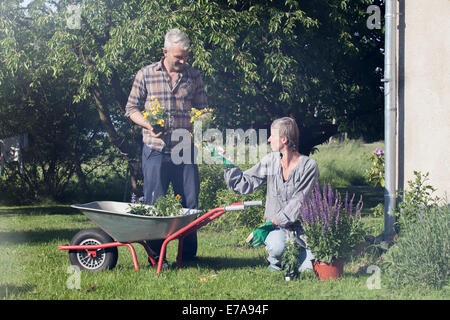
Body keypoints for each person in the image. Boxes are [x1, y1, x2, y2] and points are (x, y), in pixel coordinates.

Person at [125, 28, 208, 264]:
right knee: (155, 203)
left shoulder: (194, 76)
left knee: (190, 204)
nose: (183, 61)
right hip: (155, 149)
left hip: (185, 149)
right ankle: (155, 257)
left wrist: (203, 124)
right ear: (165, 52)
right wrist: (149, 124)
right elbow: (131, 109)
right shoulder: (146, 74)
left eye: (185, 56)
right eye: (178, 57)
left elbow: (202, 110)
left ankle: (188, 258)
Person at [223, 117, 319, 272]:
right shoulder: (270, 161)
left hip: (302, 229)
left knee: (309, 268)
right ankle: (276, 261)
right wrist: (228, 165)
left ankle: (293, 257)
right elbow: (246, 183)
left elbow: (298, 203)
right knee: (277, 248)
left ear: (284, 139)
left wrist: (270, 224)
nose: (268, 139)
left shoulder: (309, 166)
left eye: (272, 136)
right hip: (277, 229)